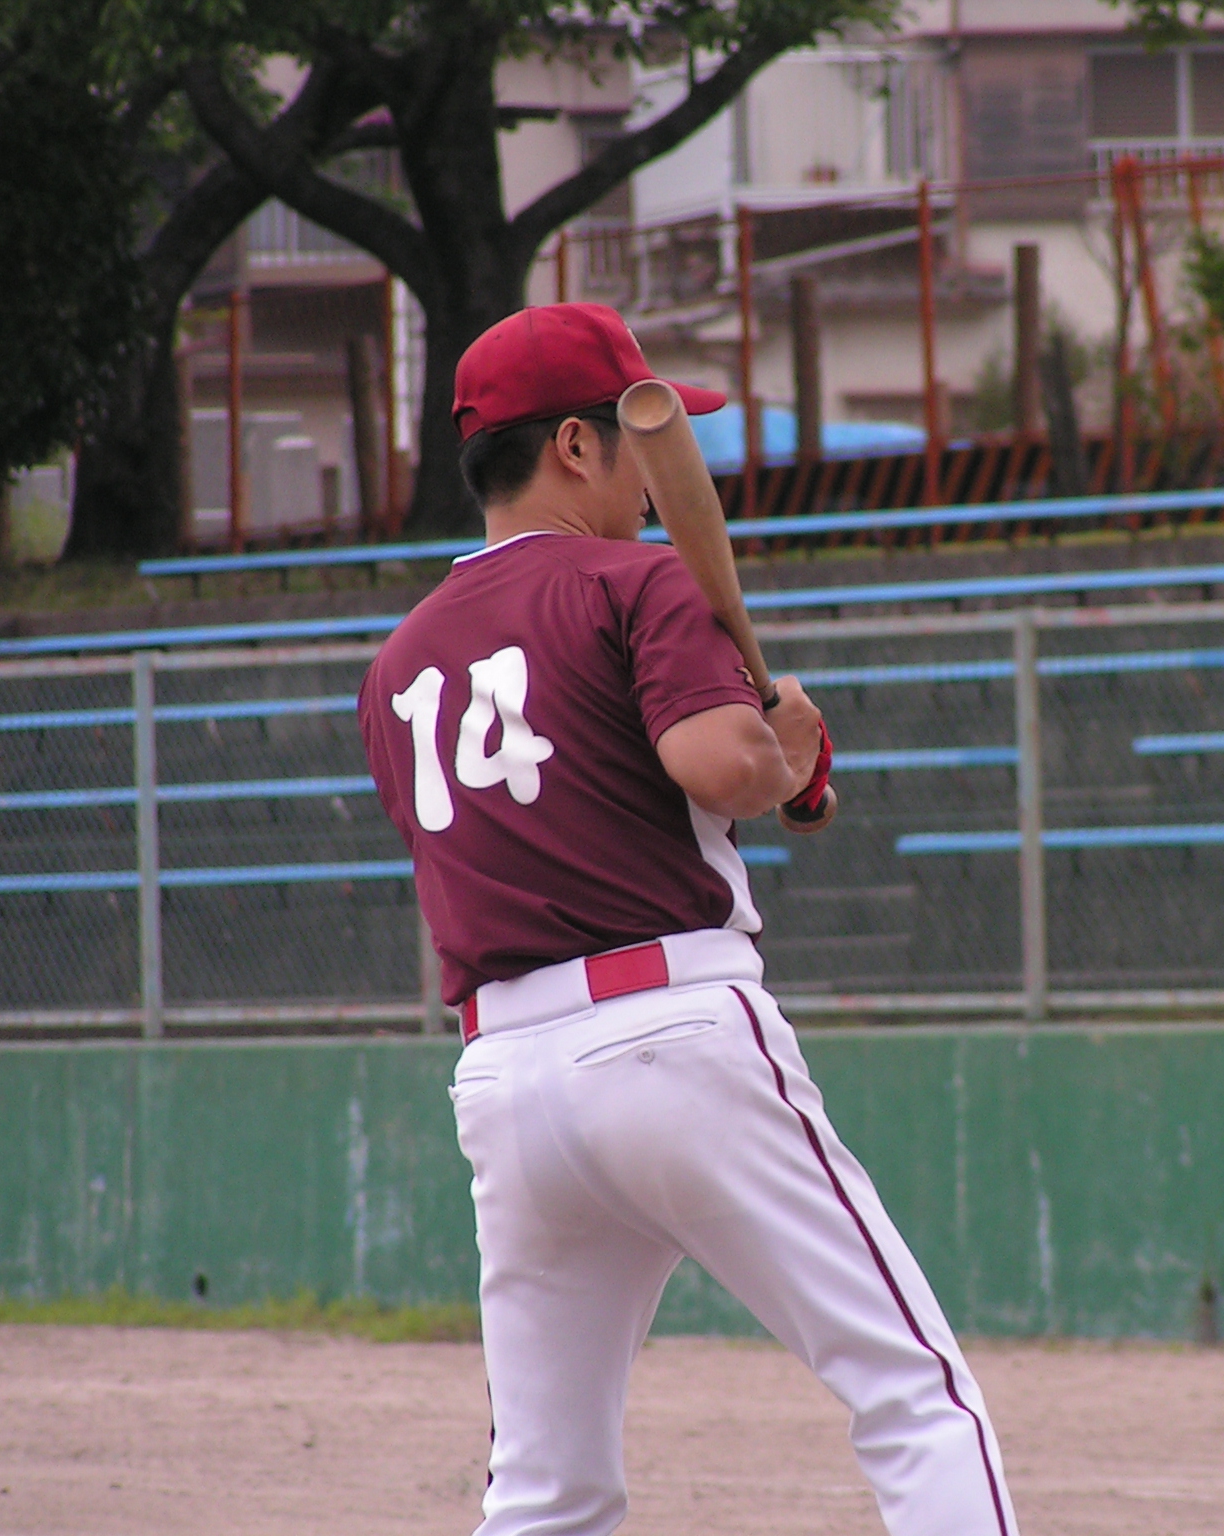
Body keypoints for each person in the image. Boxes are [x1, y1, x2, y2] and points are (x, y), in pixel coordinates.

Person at [356, 302, 1018, 1536]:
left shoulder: (397, 664)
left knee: (544, 1487)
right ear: (573, 445)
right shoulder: (634, 578)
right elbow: (720, 768)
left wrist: (767, 756)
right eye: (632, 444)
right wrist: (782, 756)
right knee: (913, 1396)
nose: (657, 480)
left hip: (503, 1077)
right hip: (669, 1035)